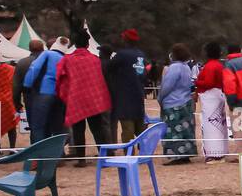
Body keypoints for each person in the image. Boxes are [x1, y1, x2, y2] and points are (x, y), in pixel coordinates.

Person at [56, 29, 112, 166]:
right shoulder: (95, 60)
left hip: (76, 99)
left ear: (74, 44)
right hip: (94, 99)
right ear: (88, 44)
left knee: (78, 130)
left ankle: (81, 160)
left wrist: (64, 93)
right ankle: (103, 158)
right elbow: (101, 80)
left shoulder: (67, 60)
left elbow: (60, 78)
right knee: (97, 129)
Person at [22, 38, 68, 144]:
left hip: (45, 93)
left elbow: (35, 68)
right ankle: (58, 154)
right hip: (60, 96)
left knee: (38, 126)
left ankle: (39, 154)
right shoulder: (65, 58)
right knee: (57, 127)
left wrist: (27, 85)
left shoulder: (47, 54)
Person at [107, 29, 149, 146]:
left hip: (125, 96)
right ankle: (145, 150)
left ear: (126, 39)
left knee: (127, 129)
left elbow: (108, 67)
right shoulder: (141, 55)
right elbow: (144, 74)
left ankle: (128, 155)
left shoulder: (122, 55)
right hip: (138, 94)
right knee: (140, 126)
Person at [158, 43, 197, 164]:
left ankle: (176, 155)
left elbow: (167, 86)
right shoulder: (186, 67)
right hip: (185, 101)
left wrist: (160, 98)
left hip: (173, 103)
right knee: (186, 130)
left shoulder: (174, 68)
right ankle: (186, 154)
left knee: (173, 130)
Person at [194, 42, 229, 162]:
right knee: (219, 125)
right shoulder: (219, 65)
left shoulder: (210, 66)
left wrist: (196, 82)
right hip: (218, 96)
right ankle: (221, 151)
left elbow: (208, 83)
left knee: (210, 126)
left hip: (210, 99)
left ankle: (213, 153)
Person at [11, 38, 44, 135]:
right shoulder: (50, 60)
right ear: (42, 48)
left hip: (31, 100)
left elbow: (16, 87)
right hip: (50, 99)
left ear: (29, 49)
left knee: (34, 129)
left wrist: (17, 105)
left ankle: (36, 148)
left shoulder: (22, 63)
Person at [0, 56, 18, 149]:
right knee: (12, 126)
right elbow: (15, 83)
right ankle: (12, 148)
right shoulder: (8, 69)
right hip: (8, 100)